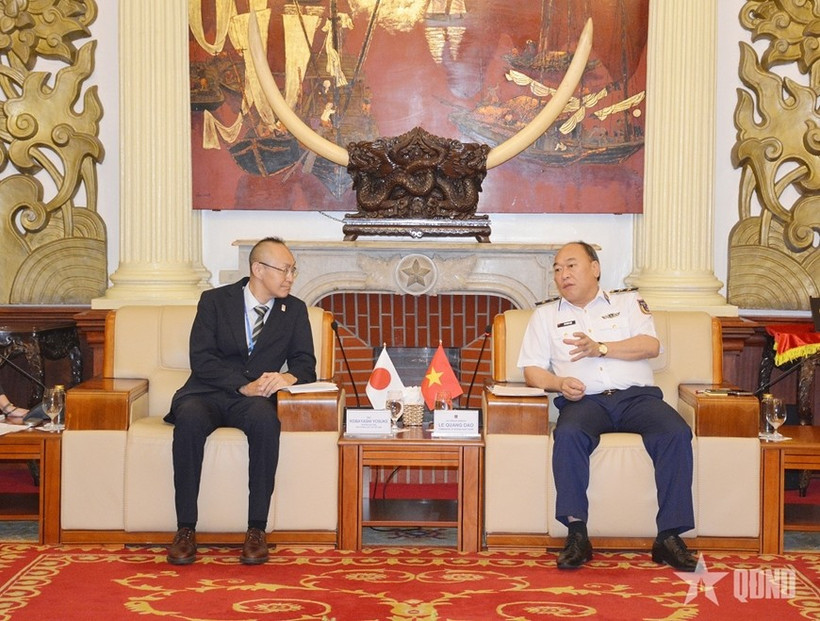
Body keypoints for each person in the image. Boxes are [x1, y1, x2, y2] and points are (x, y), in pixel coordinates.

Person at [517, 241, 697, 572]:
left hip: (636, 398)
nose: (562, 274)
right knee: (568, 435)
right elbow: (531, 370)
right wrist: (559, 384)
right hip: (584, 400)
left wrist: (600, 347)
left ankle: (669, 537)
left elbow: (650, 345)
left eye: (571, 265)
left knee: (675, 432)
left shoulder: (628, 303)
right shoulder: (544, 316)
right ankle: (576, 534)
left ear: (595, 268)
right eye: (557, 269)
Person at [164, 237, 316, 566]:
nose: (291, 277)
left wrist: (287, 378)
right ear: (257, 269)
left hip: (254, 402)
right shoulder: (215, 302)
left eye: (293, 270)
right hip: (207, 392)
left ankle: (256, 530)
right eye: (285, 269)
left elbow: (306, 366)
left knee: (265, 421)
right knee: (188, 420)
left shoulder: (295, 311)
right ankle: (185, 529)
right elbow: (201, 360)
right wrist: (242, 385)